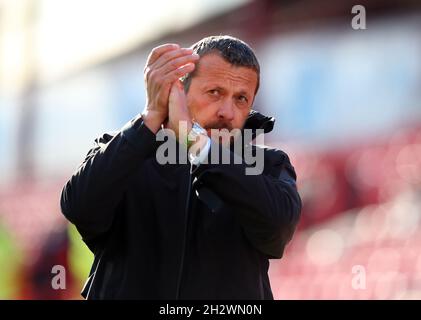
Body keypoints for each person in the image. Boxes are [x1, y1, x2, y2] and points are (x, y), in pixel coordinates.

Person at [60, 35, 302, 299]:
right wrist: (152, 116)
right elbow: (79, 207)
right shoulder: (124, 153)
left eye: (241, 99)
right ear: (179, 92)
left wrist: (195, 143)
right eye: (215, 92)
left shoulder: (267, 164)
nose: (227, 111)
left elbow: (277, 232)